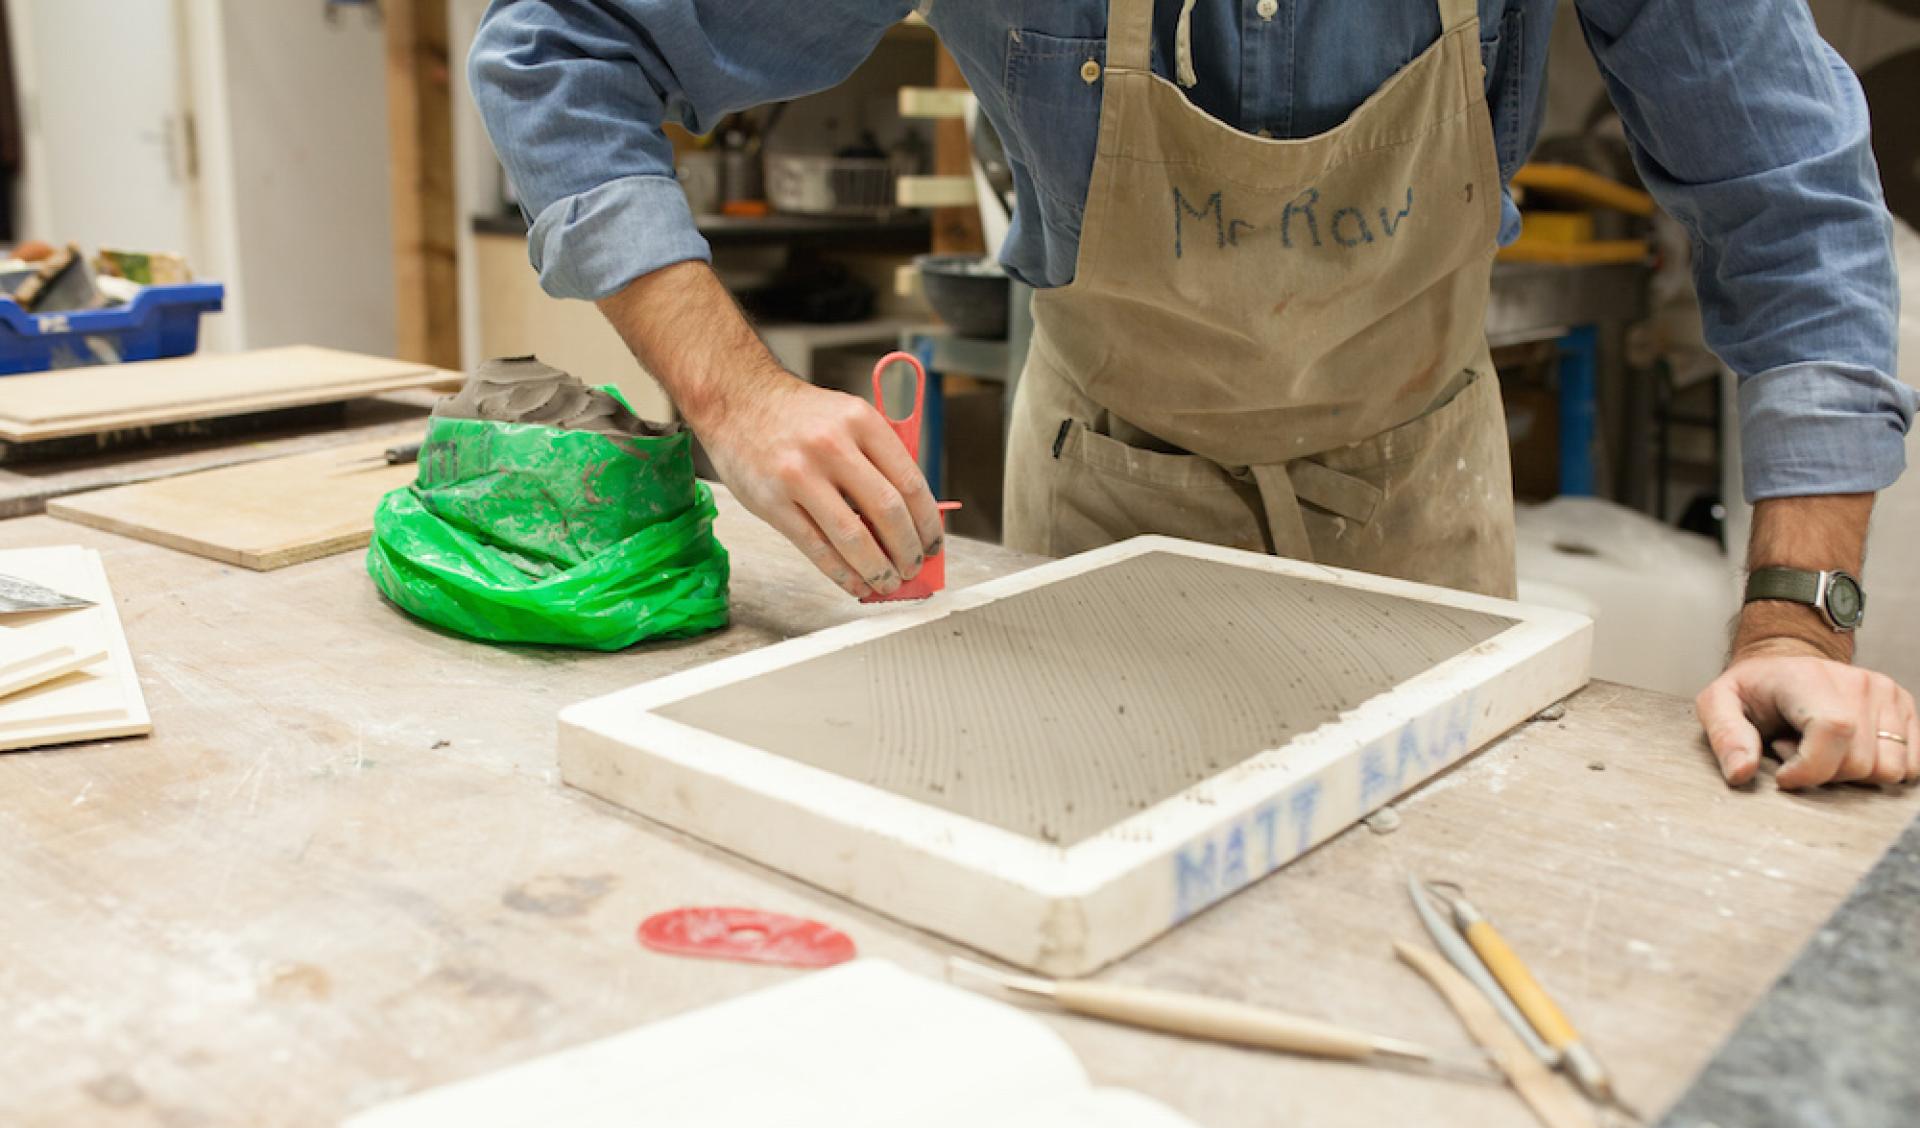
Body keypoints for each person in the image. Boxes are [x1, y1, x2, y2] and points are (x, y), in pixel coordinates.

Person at [469, 0, 1919, 790]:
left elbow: (1787, 201)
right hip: (1099, 515)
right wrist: (735, 395)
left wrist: (1800, 618)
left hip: (1418, 516)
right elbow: (563, 47)